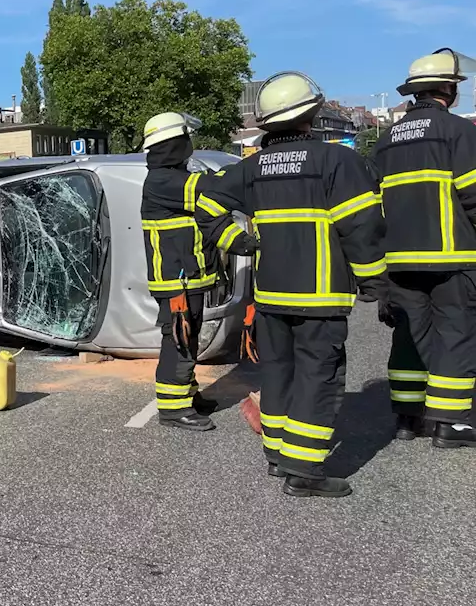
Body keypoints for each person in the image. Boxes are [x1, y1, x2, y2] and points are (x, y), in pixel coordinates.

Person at [195, 72, 387, 498]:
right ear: (312, 114)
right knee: (318, 378)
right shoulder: (340, 163)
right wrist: (374, 279)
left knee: (278, 373)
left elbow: (206, 207)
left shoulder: (251, 168)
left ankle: (278, 456)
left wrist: (238, 242)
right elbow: (362, 228)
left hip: (270, 296)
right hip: (320, 298)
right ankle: (304, 471)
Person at [375, 48, 476, 449]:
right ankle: (450, 423)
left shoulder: (385, 142)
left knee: (409, 333)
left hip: (398, 259)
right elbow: (472, 195)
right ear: (448, 90)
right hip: (451, 256)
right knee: (455, 332)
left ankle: (407, 416)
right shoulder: (459, 132)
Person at [140, 111, 256, 431]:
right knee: (179, 341)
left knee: (187, 341)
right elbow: (212, 188)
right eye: (185, 139)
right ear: (174, 144)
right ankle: (173, 410)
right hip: (176, 283)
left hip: (188, 280)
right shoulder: (165, 181)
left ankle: (187, 397)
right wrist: (252, 167)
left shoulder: (171, 177)